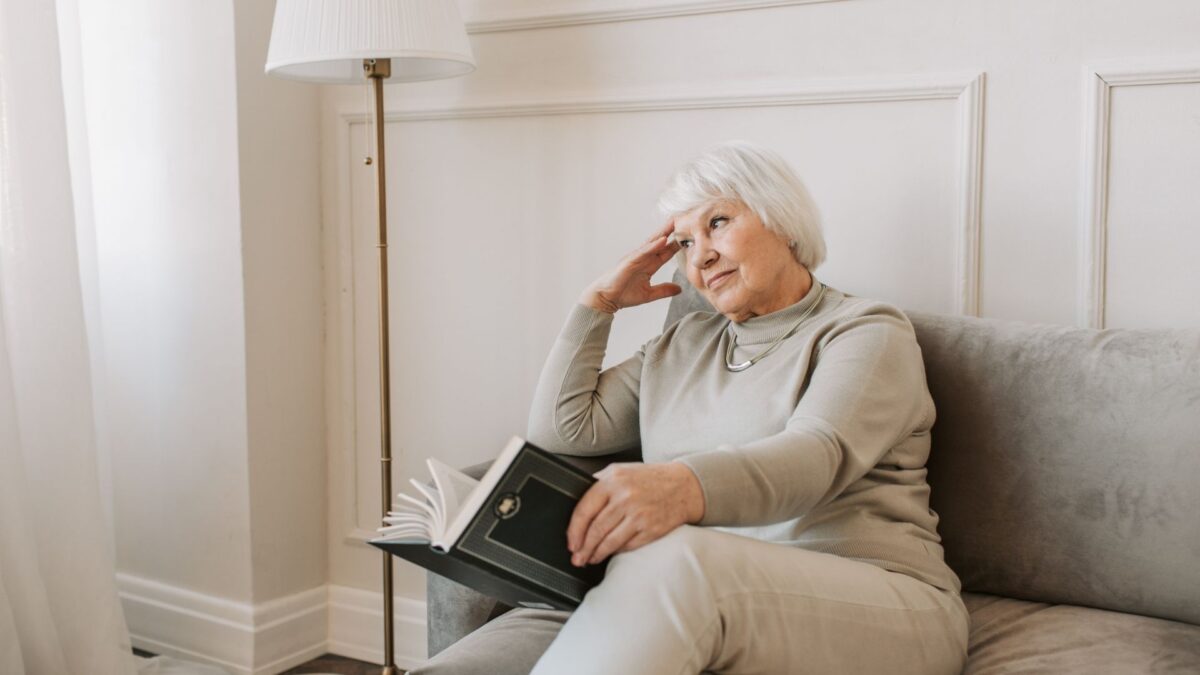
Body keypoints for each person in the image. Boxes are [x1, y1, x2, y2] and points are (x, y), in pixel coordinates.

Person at [411, 141, 968, 674]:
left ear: (780, 217)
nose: (700, 254)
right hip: (708, 602)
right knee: (669, 566)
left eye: (717, 223)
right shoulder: (684, 344)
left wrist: (678, 489)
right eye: (682, 242)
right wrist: (597, 306)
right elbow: (564, 431)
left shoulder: (865, 332)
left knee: (679, 560)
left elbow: (815, 457)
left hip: (882, 604)